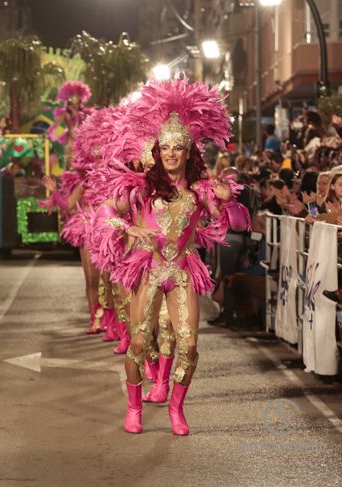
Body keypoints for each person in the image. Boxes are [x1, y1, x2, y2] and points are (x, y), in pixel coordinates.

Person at [89, 78, 250, 436]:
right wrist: (127, 228)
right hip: (147, 269)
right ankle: (134, 407)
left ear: (189, 152)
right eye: (166, 148)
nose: (172, 153)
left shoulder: (200, 189)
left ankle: (177, 408)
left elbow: (236, 223)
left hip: (181, 271)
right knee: (139, 340)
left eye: (178, 148)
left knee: (189, 345)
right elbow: (102, 212)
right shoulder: (142, 187)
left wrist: (227, 200)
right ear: (158, 152)